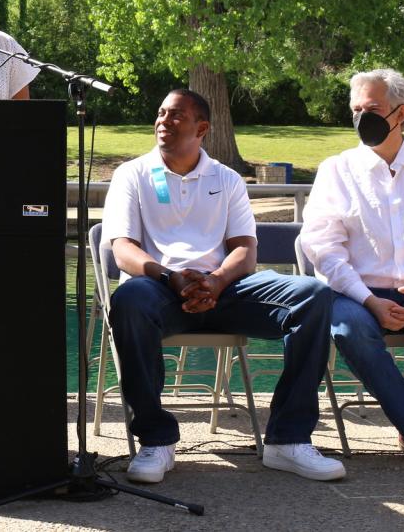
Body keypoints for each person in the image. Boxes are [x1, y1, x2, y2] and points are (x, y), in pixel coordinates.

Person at [101, 88, 345, 484]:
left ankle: (288, 439)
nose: (163, 122)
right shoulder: (132, 174)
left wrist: (215, 281)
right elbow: (123, 249)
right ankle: (156, 440)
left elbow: (245, 252)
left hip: (226, 290)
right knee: (129, 298)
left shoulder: (227, 179)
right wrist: (170, 277)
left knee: (313, 296)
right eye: (161, 113)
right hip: (159, 289)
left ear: (202, 129)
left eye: (176, 116)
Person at [300, 68, 404, 469]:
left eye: (372, 109)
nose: (362, 118)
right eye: (355, 110)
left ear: (401, 113)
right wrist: (367, 299)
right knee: (346, 326)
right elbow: (323, 250)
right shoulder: (336, 171)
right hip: (356, 296)